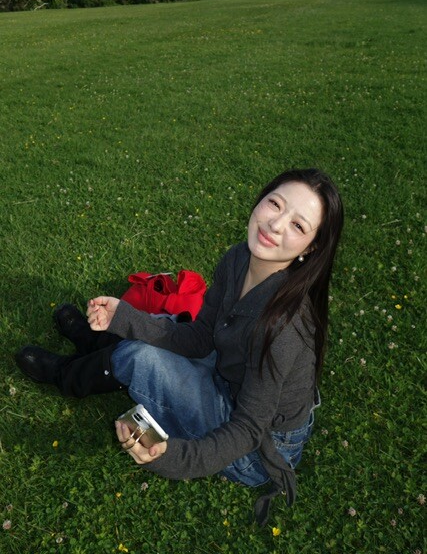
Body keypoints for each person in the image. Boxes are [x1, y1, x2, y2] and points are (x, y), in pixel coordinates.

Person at [15, 168, 344, 525]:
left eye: (298, 225)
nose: (276, 225)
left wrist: (169, 457)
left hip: (258, 450)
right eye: (275, 204)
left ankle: (66, 375)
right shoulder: (239, 258)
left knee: (143, 358)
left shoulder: (283, 327)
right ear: (261, 198)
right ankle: (93, 340)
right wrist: (122, 317)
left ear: (311, 247)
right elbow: (201, 336)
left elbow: (248, 429)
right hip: (232, 377)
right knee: (169, 324)